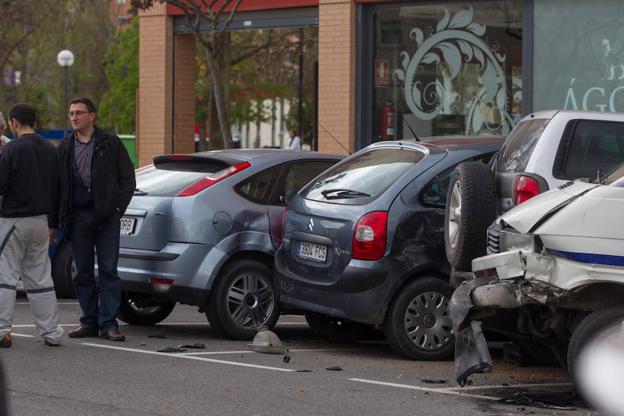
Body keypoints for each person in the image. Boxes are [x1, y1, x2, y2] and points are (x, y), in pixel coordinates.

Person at [58, 97, 135, 342]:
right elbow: (58, 185)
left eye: (79, 113)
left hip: (106, 218)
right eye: (71, 113)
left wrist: (116, 209)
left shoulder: (110, 143)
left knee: (109, 271)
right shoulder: (65, 147)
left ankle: (108, 324)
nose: (74, 117)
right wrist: (58, 218)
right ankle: (88, 322)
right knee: (82, 273)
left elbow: (128, 179)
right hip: (77, 216)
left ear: (92, 116)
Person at [0, 103, 64, 348]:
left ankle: (2, 330)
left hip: (13, 220)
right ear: (33, 121)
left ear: (14, 122)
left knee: (5, 275)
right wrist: (53, 223)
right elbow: (58, 189)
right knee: (40, 278)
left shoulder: (13, 149)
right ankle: (51, 332)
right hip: (42, 221)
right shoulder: (51, 149)